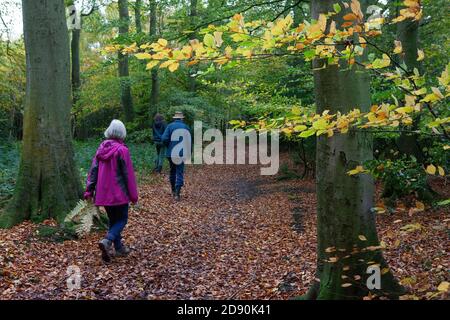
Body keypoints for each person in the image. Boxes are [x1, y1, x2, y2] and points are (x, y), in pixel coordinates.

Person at [84, 119, 138, 263]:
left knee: (113, 220)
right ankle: (107, 241)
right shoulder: (122, 150)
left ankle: (118, 248)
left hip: (103, 193)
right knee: (122, 219)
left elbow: (93, 171)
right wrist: (134, 196)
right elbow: (128, 175)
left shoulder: (101, 149)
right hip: (119, 193)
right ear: (122, 133)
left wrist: (89, 190)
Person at [161, 111, 190, 201]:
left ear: (174, 118)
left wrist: (169, 146)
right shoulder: (186, 127)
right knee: (179, 172)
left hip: (171, 153)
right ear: (182, 118)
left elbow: (164, 139)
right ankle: (177, 193)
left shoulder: (170, 126)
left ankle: (173, 190)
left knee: (172, 171)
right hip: (181, 153)